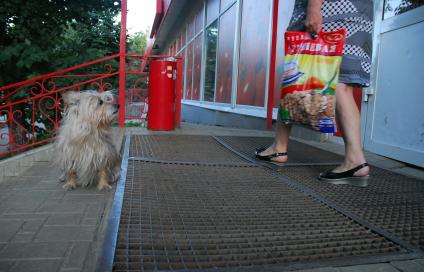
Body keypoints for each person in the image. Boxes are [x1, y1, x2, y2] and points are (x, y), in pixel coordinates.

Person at [256, 0, 373, 182]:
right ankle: (355, 158)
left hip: (332, 9)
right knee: (343, 84)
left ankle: (279, 147)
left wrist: (314, 7)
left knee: (295, 75)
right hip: (359, 12)